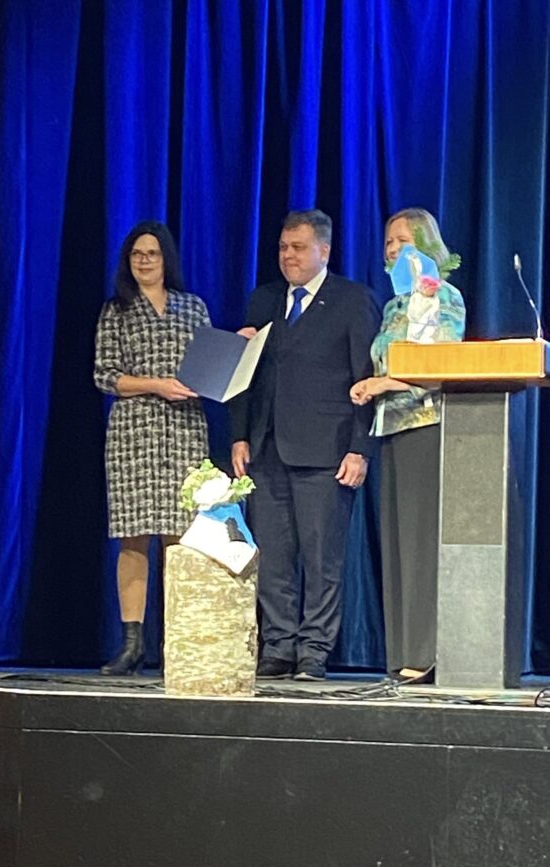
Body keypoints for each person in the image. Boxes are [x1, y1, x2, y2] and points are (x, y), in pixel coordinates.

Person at [230, 209, 379, 680]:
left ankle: (314, 650)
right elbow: (245, 377)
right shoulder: (264, 300)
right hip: (267, 448)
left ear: (324, 251)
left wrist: (360, 448)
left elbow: (366, 378)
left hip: (326, 451)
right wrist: (239, 435)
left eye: (298, 247)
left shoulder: (353, 300)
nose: (288, 256)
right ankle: (278, 645)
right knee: (272, 557)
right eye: (282, 247)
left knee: (320, 559)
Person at [350, 207, 466, 681]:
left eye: (403, 240)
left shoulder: (442, 295)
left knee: (419, 542)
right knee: (397, 544)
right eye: (389, 242)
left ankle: (426, 652)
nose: (394, 249)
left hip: (425, 424)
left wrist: (383, 383)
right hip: (393, 427)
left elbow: (440, 364)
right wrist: (375, 384)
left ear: (426, 245)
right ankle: (401, 653)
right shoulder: (396, 305)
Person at [94, 221, 210, 675]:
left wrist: (232, 353)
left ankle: (179, 641)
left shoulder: (192, 307)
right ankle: (132, 644)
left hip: (184, 431)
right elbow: (105, 375)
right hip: (134, 434)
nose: (144, 261)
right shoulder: (116, 311)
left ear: (167, 259)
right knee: (135, 537)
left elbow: (208, 367)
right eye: (137, 254)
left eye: (152, 253)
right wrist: (156, 385)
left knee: (182, 539)